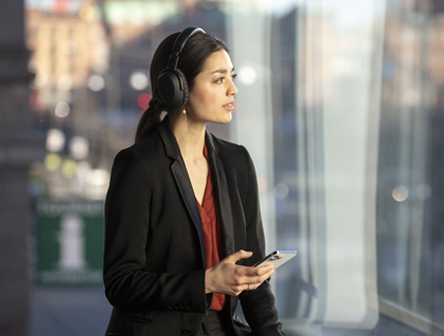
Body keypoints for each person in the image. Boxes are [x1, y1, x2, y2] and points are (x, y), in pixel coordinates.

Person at [103, 26, 285, 336]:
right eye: (218, 79)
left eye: (232, 77)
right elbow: (121, 283)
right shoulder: (138, 166)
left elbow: (252, 278)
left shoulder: (237, 162)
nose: (233, 90)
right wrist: (207, 281)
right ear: (179, 89)